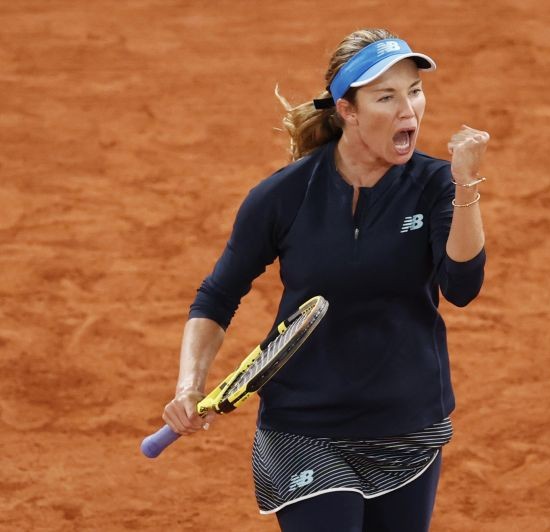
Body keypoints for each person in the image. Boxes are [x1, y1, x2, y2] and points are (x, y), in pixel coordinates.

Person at [160, 28, 490, 532]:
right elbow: (217, 295)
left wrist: (466, 186)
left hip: (406, 422)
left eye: (415, 91)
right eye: (387, 97)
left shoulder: (434, 185)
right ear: (348, 110)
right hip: (303, 428)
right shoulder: (283, 196)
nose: (409, 111)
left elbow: (462, 288)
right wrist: (190, 384)